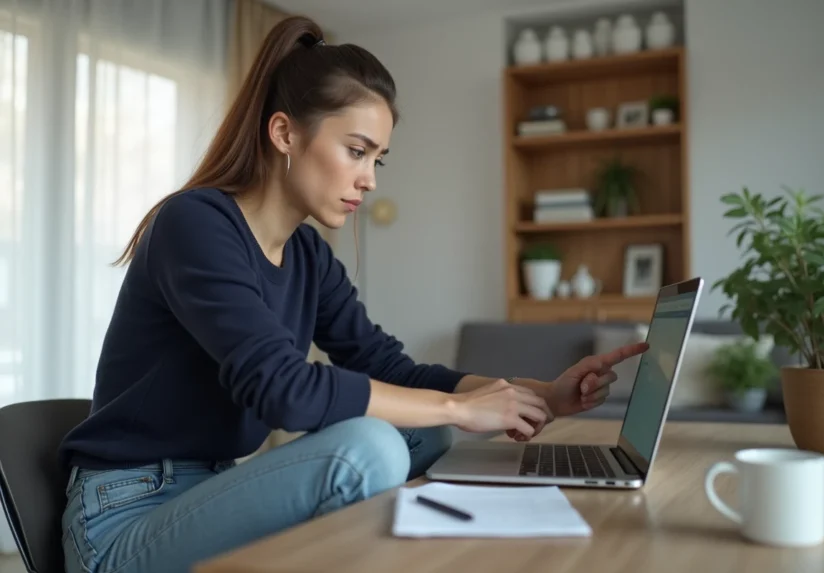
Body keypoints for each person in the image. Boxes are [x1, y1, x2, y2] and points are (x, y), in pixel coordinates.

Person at [57, 14, 647, 573]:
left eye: (377, 160)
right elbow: (282, 390)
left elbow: (389, 367)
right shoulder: (195, 223)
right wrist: (461, 408)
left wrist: (537, 394)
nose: (368, 177)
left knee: (424, 430)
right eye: (356, 151)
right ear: (285, 132)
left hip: (210, 488)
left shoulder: (309, 255)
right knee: (371, 446)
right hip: (123, 519)